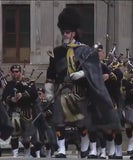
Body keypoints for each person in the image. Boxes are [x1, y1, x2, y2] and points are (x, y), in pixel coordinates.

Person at [45, 6, 121, 159]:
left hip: (81, 92)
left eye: (67, 32)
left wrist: (82, 73)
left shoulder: (86, 51)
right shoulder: (57, 51)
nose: (65, 35)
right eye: (63, 32)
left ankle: (91, 148)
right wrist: (48, 89)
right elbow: (51, 72)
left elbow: (94, 71)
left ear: (74, 32)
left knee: (84, 123)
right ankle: (61, 149)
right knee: (59, 122)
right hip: (62, 91)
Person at [2, 64, 38, 157]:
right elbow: (4, 97)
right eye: (13, 72)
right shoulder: (9, 84)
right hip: (14, 111)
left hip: (26, 111)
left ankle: (27, 154)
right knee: (14, 135)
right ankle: (15, 155)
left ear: (20, 72)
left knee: (27, 136)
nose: (15, 74)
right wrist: (11, 99)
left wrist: (22, 95)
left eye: (17, 72)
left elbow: (34, 94)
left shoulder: (28, 82)